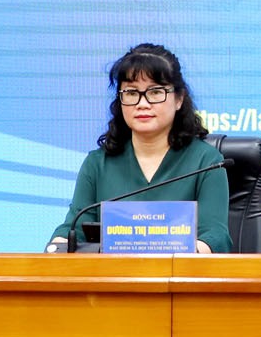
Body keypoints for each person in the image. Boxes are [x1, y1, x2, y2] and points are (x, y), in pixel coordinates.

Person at [49, 43, 231, 253]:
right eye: (131, 92)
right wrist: (58, 247)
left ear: (179, 99)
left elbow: (215, 235)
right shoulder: (98, 164)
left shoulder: (207, 162)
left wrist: (172, 258)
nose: (142, 103)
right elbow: (74, 229)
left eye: (155, 91)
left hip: (180, 272)